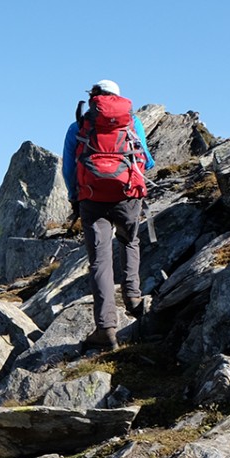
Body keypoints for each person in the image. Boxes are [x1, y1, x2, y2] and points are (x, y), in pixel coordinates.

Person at [62, 79, 155, 349]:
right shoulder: (132, 122)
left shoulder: (78, 126)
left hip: (91, 198)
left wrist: (74, 197)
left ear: (93, 97)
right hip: (127, 195)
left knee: (99, 261)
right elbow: (146, 159)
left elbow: (69, 167)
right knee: (130, 241)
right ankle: (134, 299)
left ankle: (106, 328)